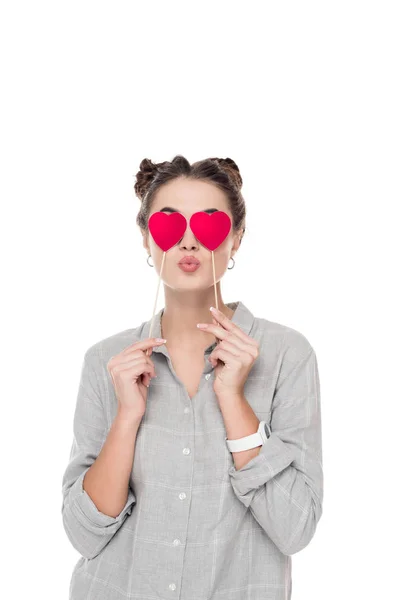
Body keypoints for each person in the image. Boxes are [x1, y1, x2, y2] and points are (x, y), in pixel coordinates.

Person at [61, 155, 324, 600]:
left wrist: (233, 398)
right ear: (147, 240)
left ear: (236, 238)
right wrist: (128, 415)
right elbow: (84, 535)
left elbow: (295, 529)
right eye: (169, 226)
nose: (187, 242)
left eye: (208, 225)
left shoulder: (286, 356)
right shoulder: (105, 361)